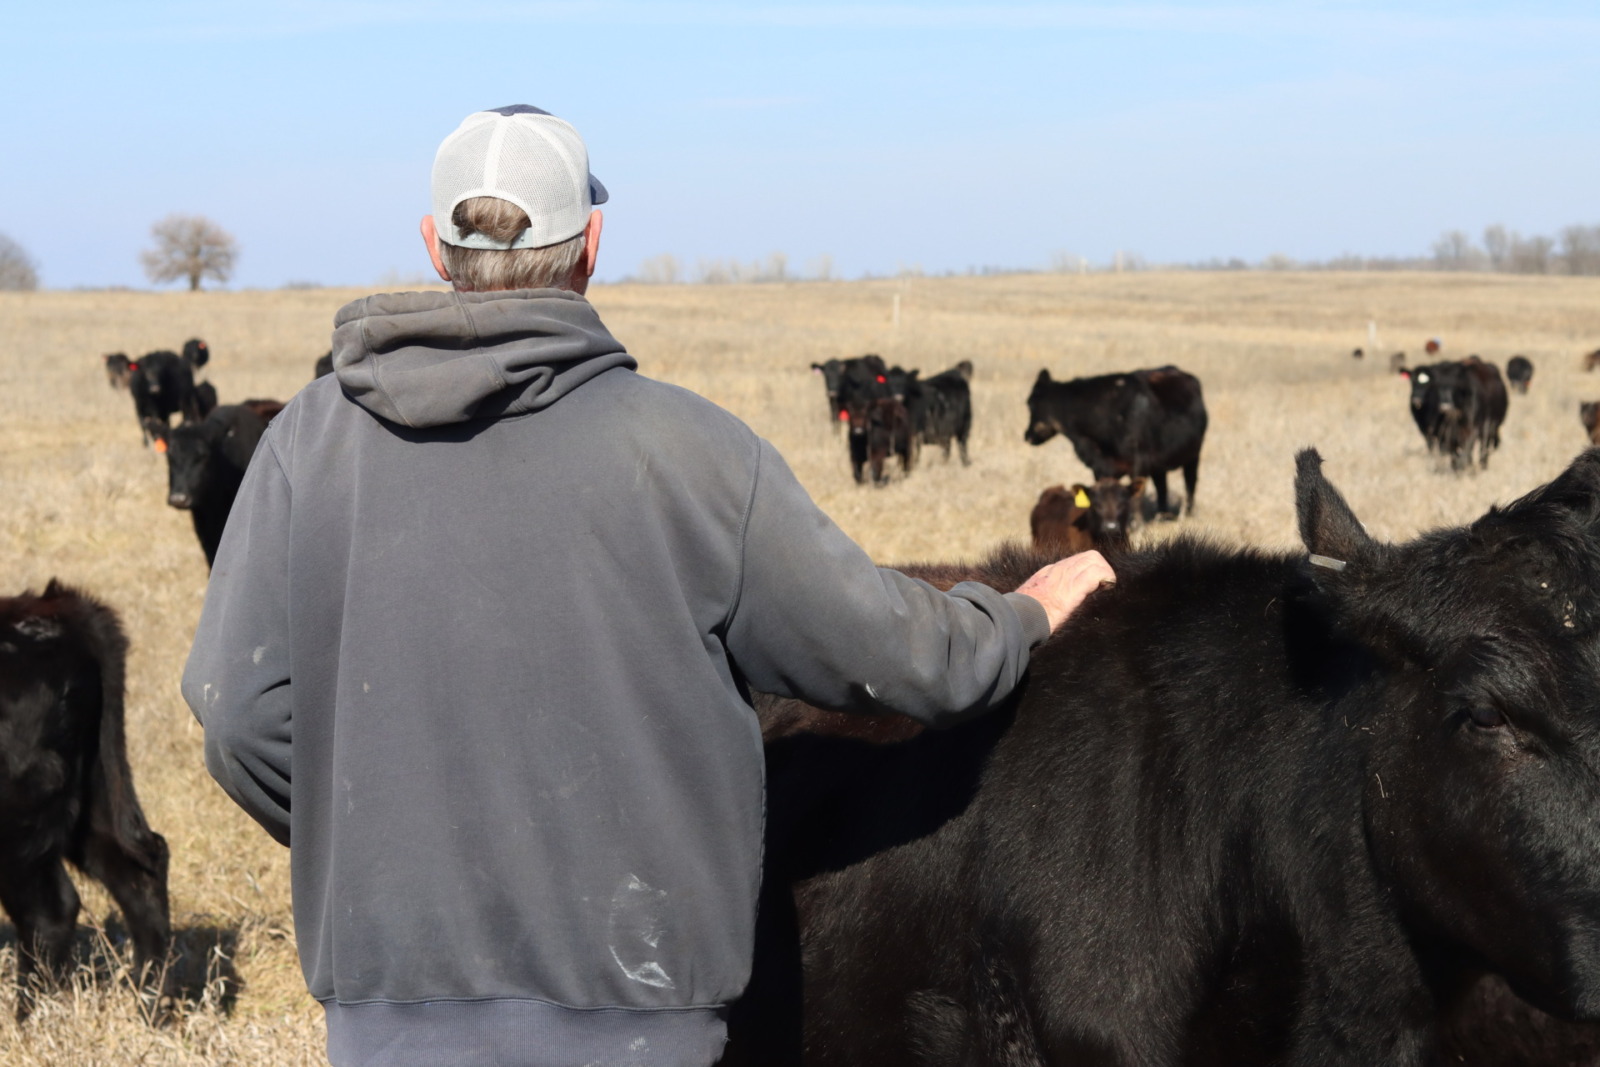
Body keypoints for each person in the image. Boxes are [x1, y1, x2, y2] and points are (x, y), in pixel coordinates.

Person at [182, 104, 1114, 1067]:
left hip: (390, 1010)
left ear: (434, 246)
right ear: (590, 244)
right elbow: (897, 658)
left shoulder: (305, 444)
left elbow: (238, 713)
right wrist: (1020, 614)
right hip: (637, 1014)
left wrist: (393, 844)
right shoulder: (693, 453)